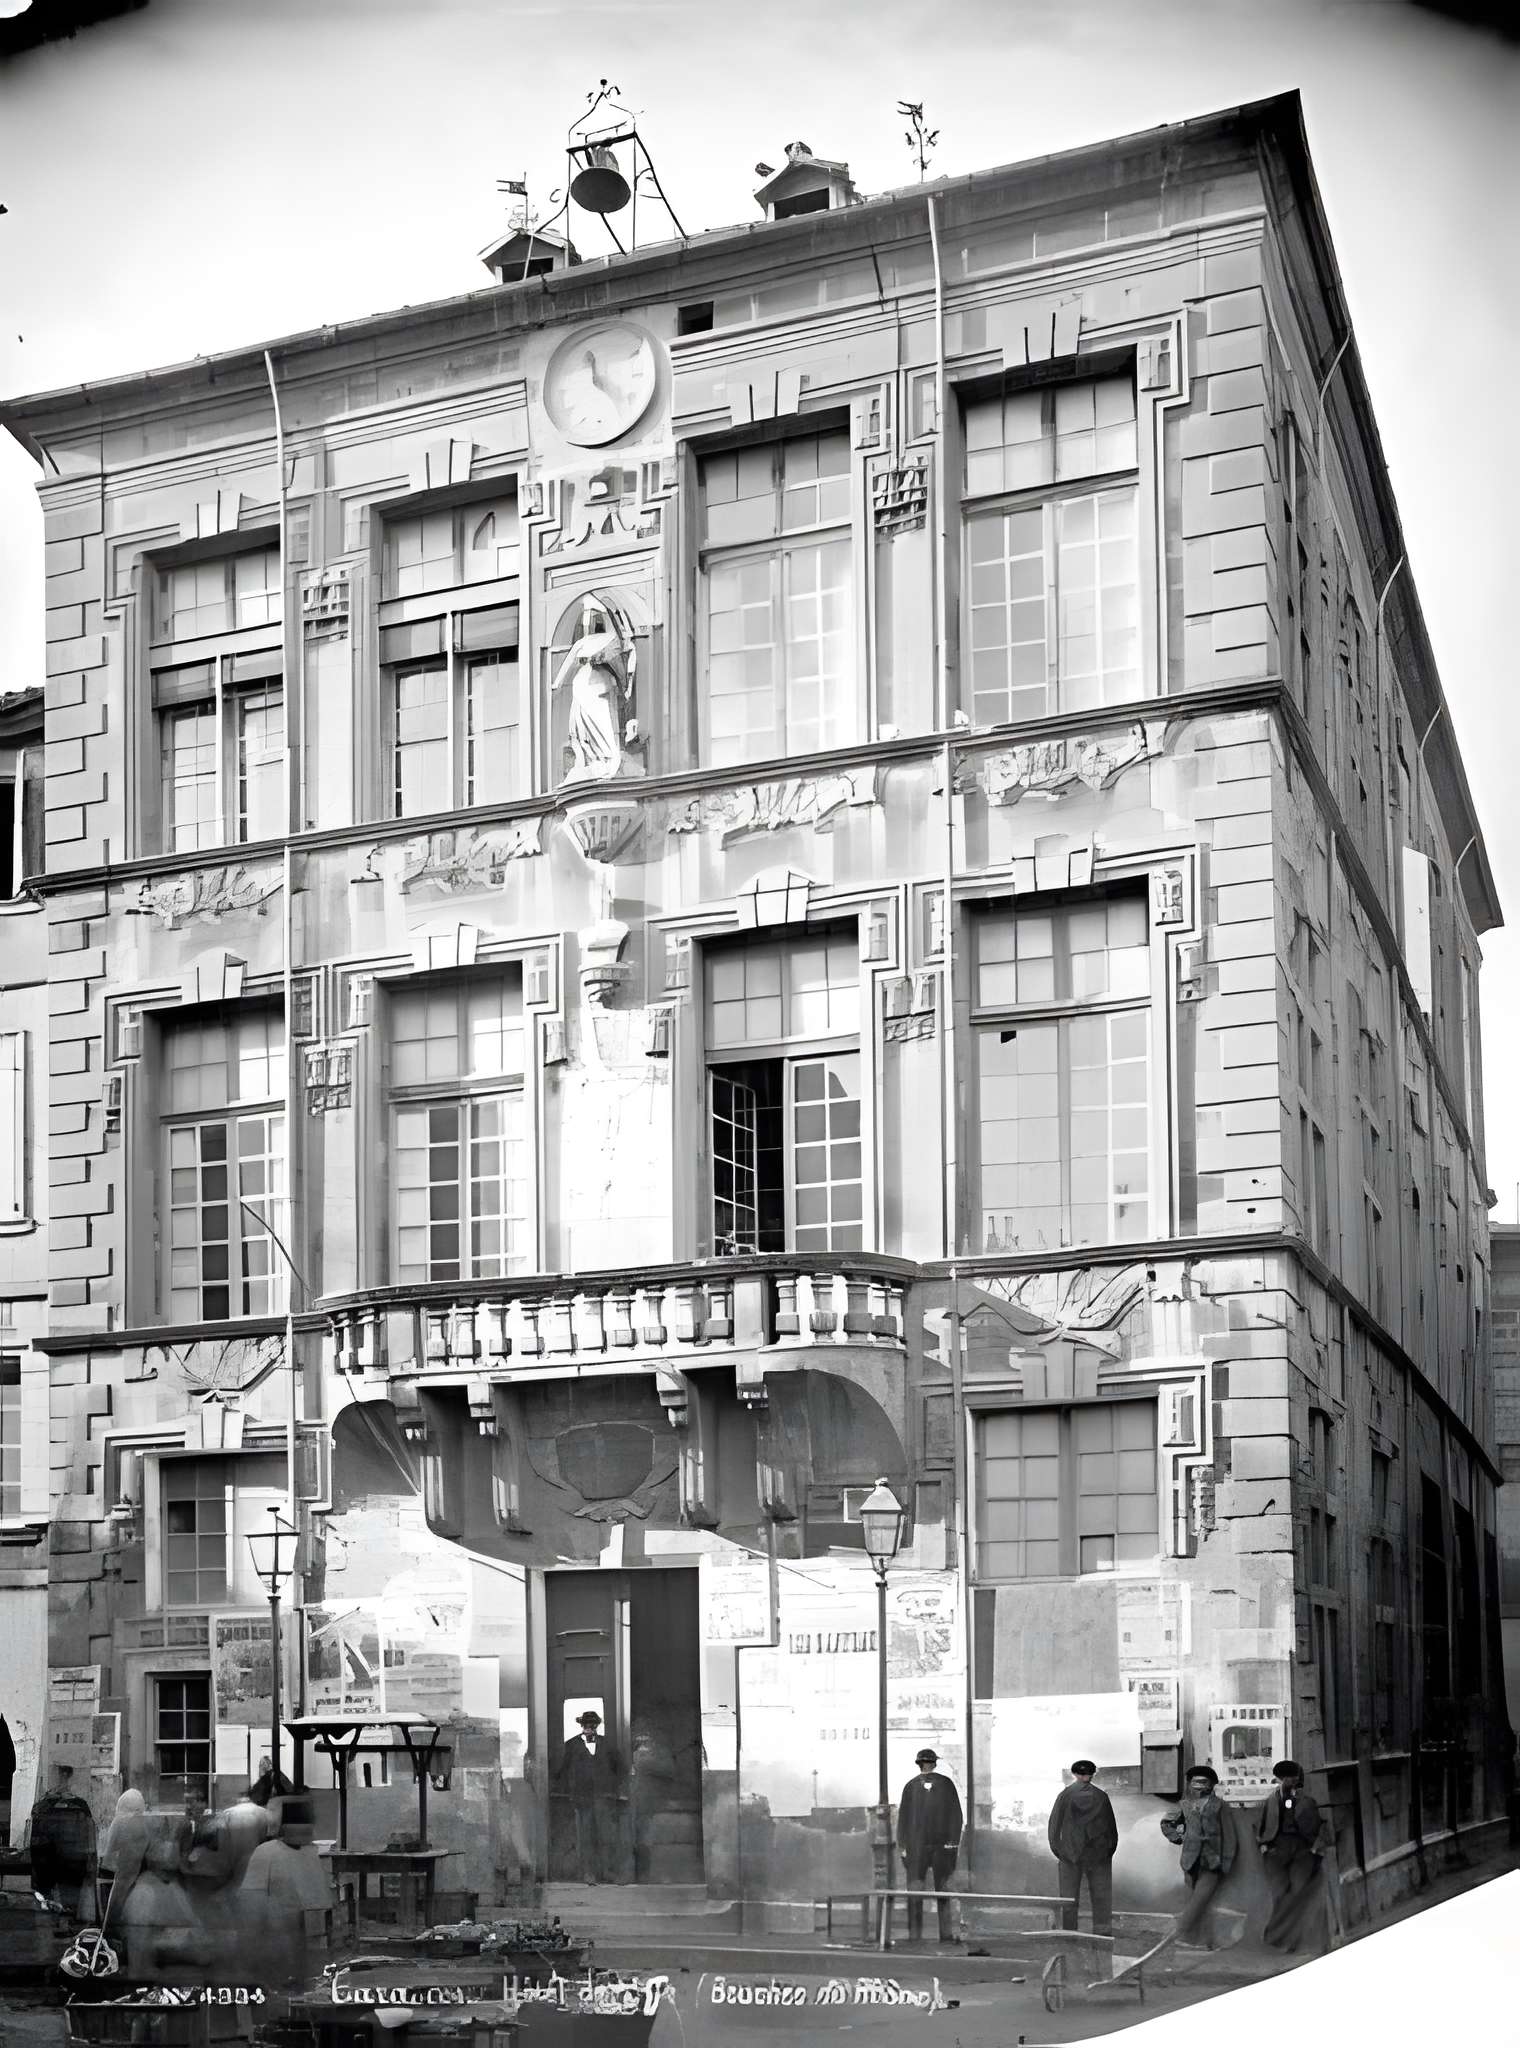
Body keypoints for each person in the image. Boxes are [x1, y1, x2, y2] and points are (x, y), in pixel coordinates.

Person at [239, 1794, 334, 1992]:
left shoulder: (310, 1853)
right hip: (275, 1938)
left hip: (304, 1941)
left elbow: (320, 1900)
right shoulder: (268, 1853)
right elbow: (252, 1899)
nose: (304, 1829)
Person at [1159, 1764, 1240, 1949]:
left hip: (1213, 1861)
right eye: (1194, 1782)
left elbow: (1230, 1836)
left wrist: (1227, 1862)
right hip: (1190, 1861)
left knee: (1199, 1901)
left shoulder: (1221, 1805)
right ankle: (1204, 1941)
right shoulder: (1184, 1805)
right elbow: (1166, 1823)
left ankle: (1179, 1935)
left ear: (1211, 1785)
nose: (1198, 1786)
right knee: (1201, 1903)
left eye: (1203, 1782)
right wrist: (1178, 1838)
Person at [1255, 1759, 1326, 1953]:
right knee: (1279, 1895)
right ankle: (1277, 1936)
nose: (1287, 1781)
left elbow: (1317, 1827)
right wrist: (1262, 1845)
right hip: (1276, 1852)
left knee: (1297, 1893)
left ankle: (1289, 1939)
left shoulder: (1307, 1801)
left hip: (1301, 1852)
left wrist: (1315, 1849)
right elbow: (1259, 1826)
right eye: (1284, 1778)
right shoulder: (1270, 1800)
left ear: (1296, 1780)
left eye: (1291, 1778)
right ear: (1280, 1779)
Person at [897, 1748, 964, 1944]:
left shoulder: (910, 1787)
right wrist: (952, 1844)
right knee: (941, 1892)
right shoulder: (946, 1784)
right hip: (941, 1847)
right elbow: (956, 1816)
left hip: (918, 1847)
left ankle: (915, 1935)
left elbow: (903, 1820)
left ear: (919, 1764)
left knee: (917, 1892)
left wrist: (903, 1846)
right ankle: (944, 1935)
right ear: (934, 1763)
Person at [1047, 1759, 1119, 1937]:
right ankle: (1102, 1935)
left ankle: (1070, 1934)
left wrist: (1060, 1852)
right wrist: (1108, 1852)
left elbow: (1053, 1827)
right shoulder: (1101, 1796)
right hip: (1099, 1853)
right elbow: (1112, 1828)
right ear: (1093, 1774)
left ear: (1075, 1774)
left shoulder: (1065, 1795)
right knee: (1101, 1897)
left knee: (1069, 1898)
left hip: (1070, 1853)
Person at [555, 1710, 622, 1884]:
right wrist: (566, 1793)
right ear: (581, 1726)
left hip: (603, 1797)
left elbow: (618, 1768)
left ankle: (607, 1873)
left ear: (597, 1726)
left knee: (605, 1836)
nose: (589, 1728)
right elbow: (562, 1770)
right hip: (582, 1798)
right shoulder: (571, 1745)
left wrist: (614, 1791)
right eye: (586, 1725)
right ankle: (588, 1873)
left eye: (592, 1725)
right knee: (586, 1837)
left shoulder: (607, 1745)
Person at [28, 1765, 97, 1920]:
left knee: (62, 1904)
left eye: (64, 1775)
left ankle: (63, 1923)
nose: (62, 1779)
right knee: (58, 1904)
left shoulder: (47, 1806)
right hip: (59, 1862)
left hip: (63, 1862)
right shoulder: (77, 1806)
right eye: (60, 1775)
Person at [99, 1789, 150, 1937]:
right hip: (142, 1873)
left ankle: (111, 1936)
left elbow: (108, 1853)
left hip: (124, 1872)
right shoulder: (146, 1824)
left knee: (116, 1908)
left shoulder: (119, 1822)